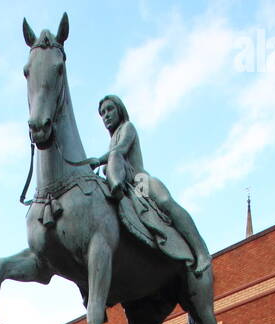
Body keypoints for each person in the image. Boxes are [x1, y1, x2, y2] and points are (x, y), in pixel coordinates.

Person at [88, 95, 210, 277]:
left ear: (119, 110)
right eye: (102, 113)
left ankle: (201, 252)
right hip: (128, 184)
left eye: (109, 109)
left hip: (141, 181)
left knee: (166, 202)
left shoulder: (127, 128)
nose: (106, 115)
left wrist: (98, 161)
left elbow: (120, 151)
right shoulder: (111, 139)